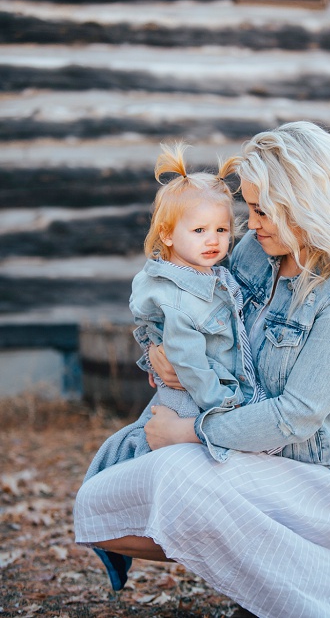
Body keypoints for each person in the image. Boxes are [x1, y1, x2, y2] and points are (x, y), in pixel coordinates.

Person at [75, 122, 330, 618]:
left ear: (306, 204)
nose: (250, 222)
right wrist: (155, 346)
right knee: (98, 499)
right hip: (242, 457)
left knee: (176, 476)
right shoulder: (252, 255)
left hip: (318, 477)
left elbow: (294, 417)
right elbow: (184, 302)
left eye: (263, 210)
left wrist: (189, 431)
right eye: (248, 206)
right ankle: (284, 566)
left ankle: (299, 566)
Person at [83, 143, 277, 590]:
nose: (214, 241)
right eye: (200, 230)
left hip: (197, 387)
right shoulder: (178, 295)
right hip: (196, 394)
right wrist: (224, 404)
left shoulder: (204, 273)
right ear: (168, 235)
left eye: (223, 230)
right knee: (203, 468)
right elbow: (188, 360)